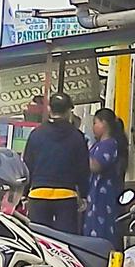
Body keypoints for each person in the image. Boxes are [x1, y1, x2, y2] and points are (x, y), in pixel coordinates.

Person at [23, 93, 89, 233]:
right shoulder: (77, 136)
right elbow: (83, 169)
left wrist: (24, 193)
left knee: (39, 240)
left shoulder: (36, 134)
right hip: (66, 197)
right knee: (65, 242)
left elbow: (27, 165)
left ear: (49, 109)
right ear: (68, 111)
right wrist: (83, 194)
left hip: (38, 195)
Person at [84, 109, 121, 247]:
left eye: (95, 123)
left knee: (100, 231)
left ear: (104, 123)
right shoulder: (98, 145)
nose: (93, 127)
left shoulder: (109, 145)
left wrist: (82, 152)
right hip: (93, 195)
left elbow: (96, 166)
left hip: (103, 197)